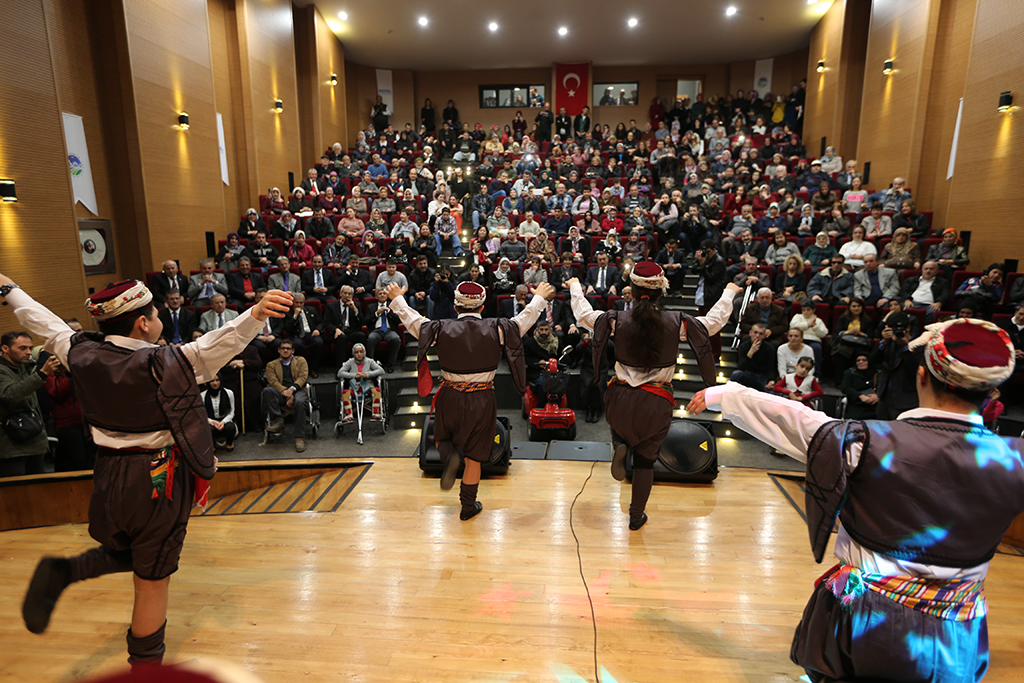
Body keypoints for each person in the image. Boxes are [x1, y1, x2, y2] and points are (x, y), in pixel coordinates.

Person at [686, 318, 1022, 683]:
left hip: (867, 618)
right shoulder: (1015, 461)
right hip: (958, 627)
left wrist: (725, 394)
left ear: (922, 376)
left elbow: (799, 421)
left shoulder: (866, 442)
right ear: (991, 392)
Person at [11, 276, 290, 666]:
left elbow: (46, 323)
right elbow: (216, 346)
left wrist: (11, 292)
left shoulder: (79, 352)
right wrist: (256, 314)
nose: (158, 318)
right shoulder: (165, 363)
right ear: (143, 323)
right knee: (152, 579)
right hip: (157, 477)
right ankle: (144, 670)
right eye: (155, 313)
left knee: (133, 552)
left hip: (107, 473)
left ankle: (65, 571)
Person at [567, 264, 741, 529]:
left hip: (619, 398)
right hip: (655, 402)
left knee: (620, 425)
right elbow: (711, 325)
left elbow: (584, 315)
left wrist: (576, 287)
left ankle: (619, 443)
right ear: (661, 290)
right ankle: (636, 517)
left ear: (632, 290)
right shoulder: (677, 322)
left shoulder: (615, 319)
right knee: (646, 464)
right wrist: (728, 293)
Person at [388, 280, 553, 520]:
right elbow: (523, 321)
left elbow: (414, 323)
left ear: (455, 307)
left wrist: (397, 299)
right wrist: (538, 298)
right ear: (483, 306)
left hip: (450, 395)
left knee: (441, 438)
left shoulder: (439, 328)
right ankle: (467, 506)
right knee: (475, 457)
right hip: (482, 397)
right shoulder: (498, 328)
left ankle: (450, 457)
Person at [0, 331, 58, 476]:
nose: (28, 352)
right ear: (5, 348)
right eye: (22, 348)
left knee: (38, 492)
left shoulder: (25, 368)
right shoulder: (2, 371)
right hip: (12, 448)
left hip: (34, 443)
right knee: (17, 494)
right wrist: (41, 373)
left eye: (30, 348)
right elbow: (11, 393)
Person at [263, 340, 310, 452]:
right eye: (283, 348)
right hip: (280, 392)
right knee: (267, 391)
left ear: (292, 351)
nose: (285, 350)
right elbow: (272, 381)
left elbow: (303, 377)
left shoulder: (301, 361)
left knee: (299, 401)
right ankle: (278, 420)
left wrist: (292, 391)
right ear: (278, 350)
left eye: (288, 348)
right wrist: (286, 392)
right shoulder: (271, 365)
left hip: (298, 390)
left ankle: (299, 437)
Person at [338, 343, 384, 424]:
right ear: (353, 353)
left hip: (367, 387)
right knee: (345, 392)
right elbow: (340, 373)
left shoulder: (370, 361)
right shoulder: (350, 362)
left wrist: (367, 374)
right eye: (356, 352)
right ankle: (349, 415)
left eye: (361, 352)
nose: (359, 354)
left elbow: (381, 371)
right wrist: (354, 375)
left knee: (376, 390)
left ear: (364, 352)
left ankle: (376, 413)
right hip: (354, 388)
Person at [365, 288, 402, 373]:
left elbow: (399, 320)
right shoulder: (371, 307)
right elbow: (366, 321)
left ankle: (390, 364)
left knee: (396, 339)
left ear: (387, 296)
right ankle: (371, 364)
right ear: (376, 296)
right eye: (380, 294)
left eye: (384, 294)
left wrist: (389, 311)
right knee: (370, 339)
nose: (382, 295)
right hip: (376, 330)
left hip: (389, 330)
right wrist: (376, 313)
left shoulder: (392, 306)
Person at [201, 374, 236, 452]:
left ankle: (229, 443)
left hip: (224, 420)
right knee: (208, 429)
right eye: (212, 381)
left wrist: (223, 422)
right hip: (211, 421)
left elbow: (231, 413)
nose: (215, 383)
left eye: (217, 380)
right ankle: (212, 445)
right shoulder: (202, 395)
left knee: (230, 427)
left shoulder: (229, 393)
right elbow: (202, 415)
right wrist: (212, 422)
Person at [840, 352, 878, 418]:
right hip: (856, 405)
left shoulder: (877, 373)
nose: (861, 362)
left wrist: (878, 396)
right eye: (858, 360)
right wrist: (860, 396)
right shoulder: (850, 373)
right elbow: (845, 387)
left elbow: (885, 388)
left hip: (875, 404)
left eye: (864, 360)